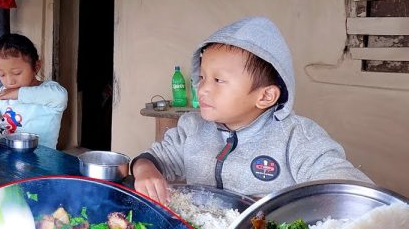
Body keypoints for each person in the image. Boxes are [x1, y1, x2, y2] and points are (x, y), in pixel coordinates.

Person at [132, 16, 371, 202]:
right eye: (202, 77)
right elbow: (155, 158)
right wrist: (144, 170)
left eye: (218, 80)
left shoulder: (296, 137)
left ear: (265, 96)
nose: (201, 89)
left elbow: (344, 185)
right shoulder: (192, 128)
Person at [0, 33, 67, 149]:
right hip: (6, 156)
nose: (10, 81)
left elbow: (60, 97)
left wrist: (18, 93)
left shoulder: (48, 91)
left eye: (17, 73)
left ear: (36, 66)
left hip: (40, 158)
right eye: (2, 74)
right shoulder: (4, 94)